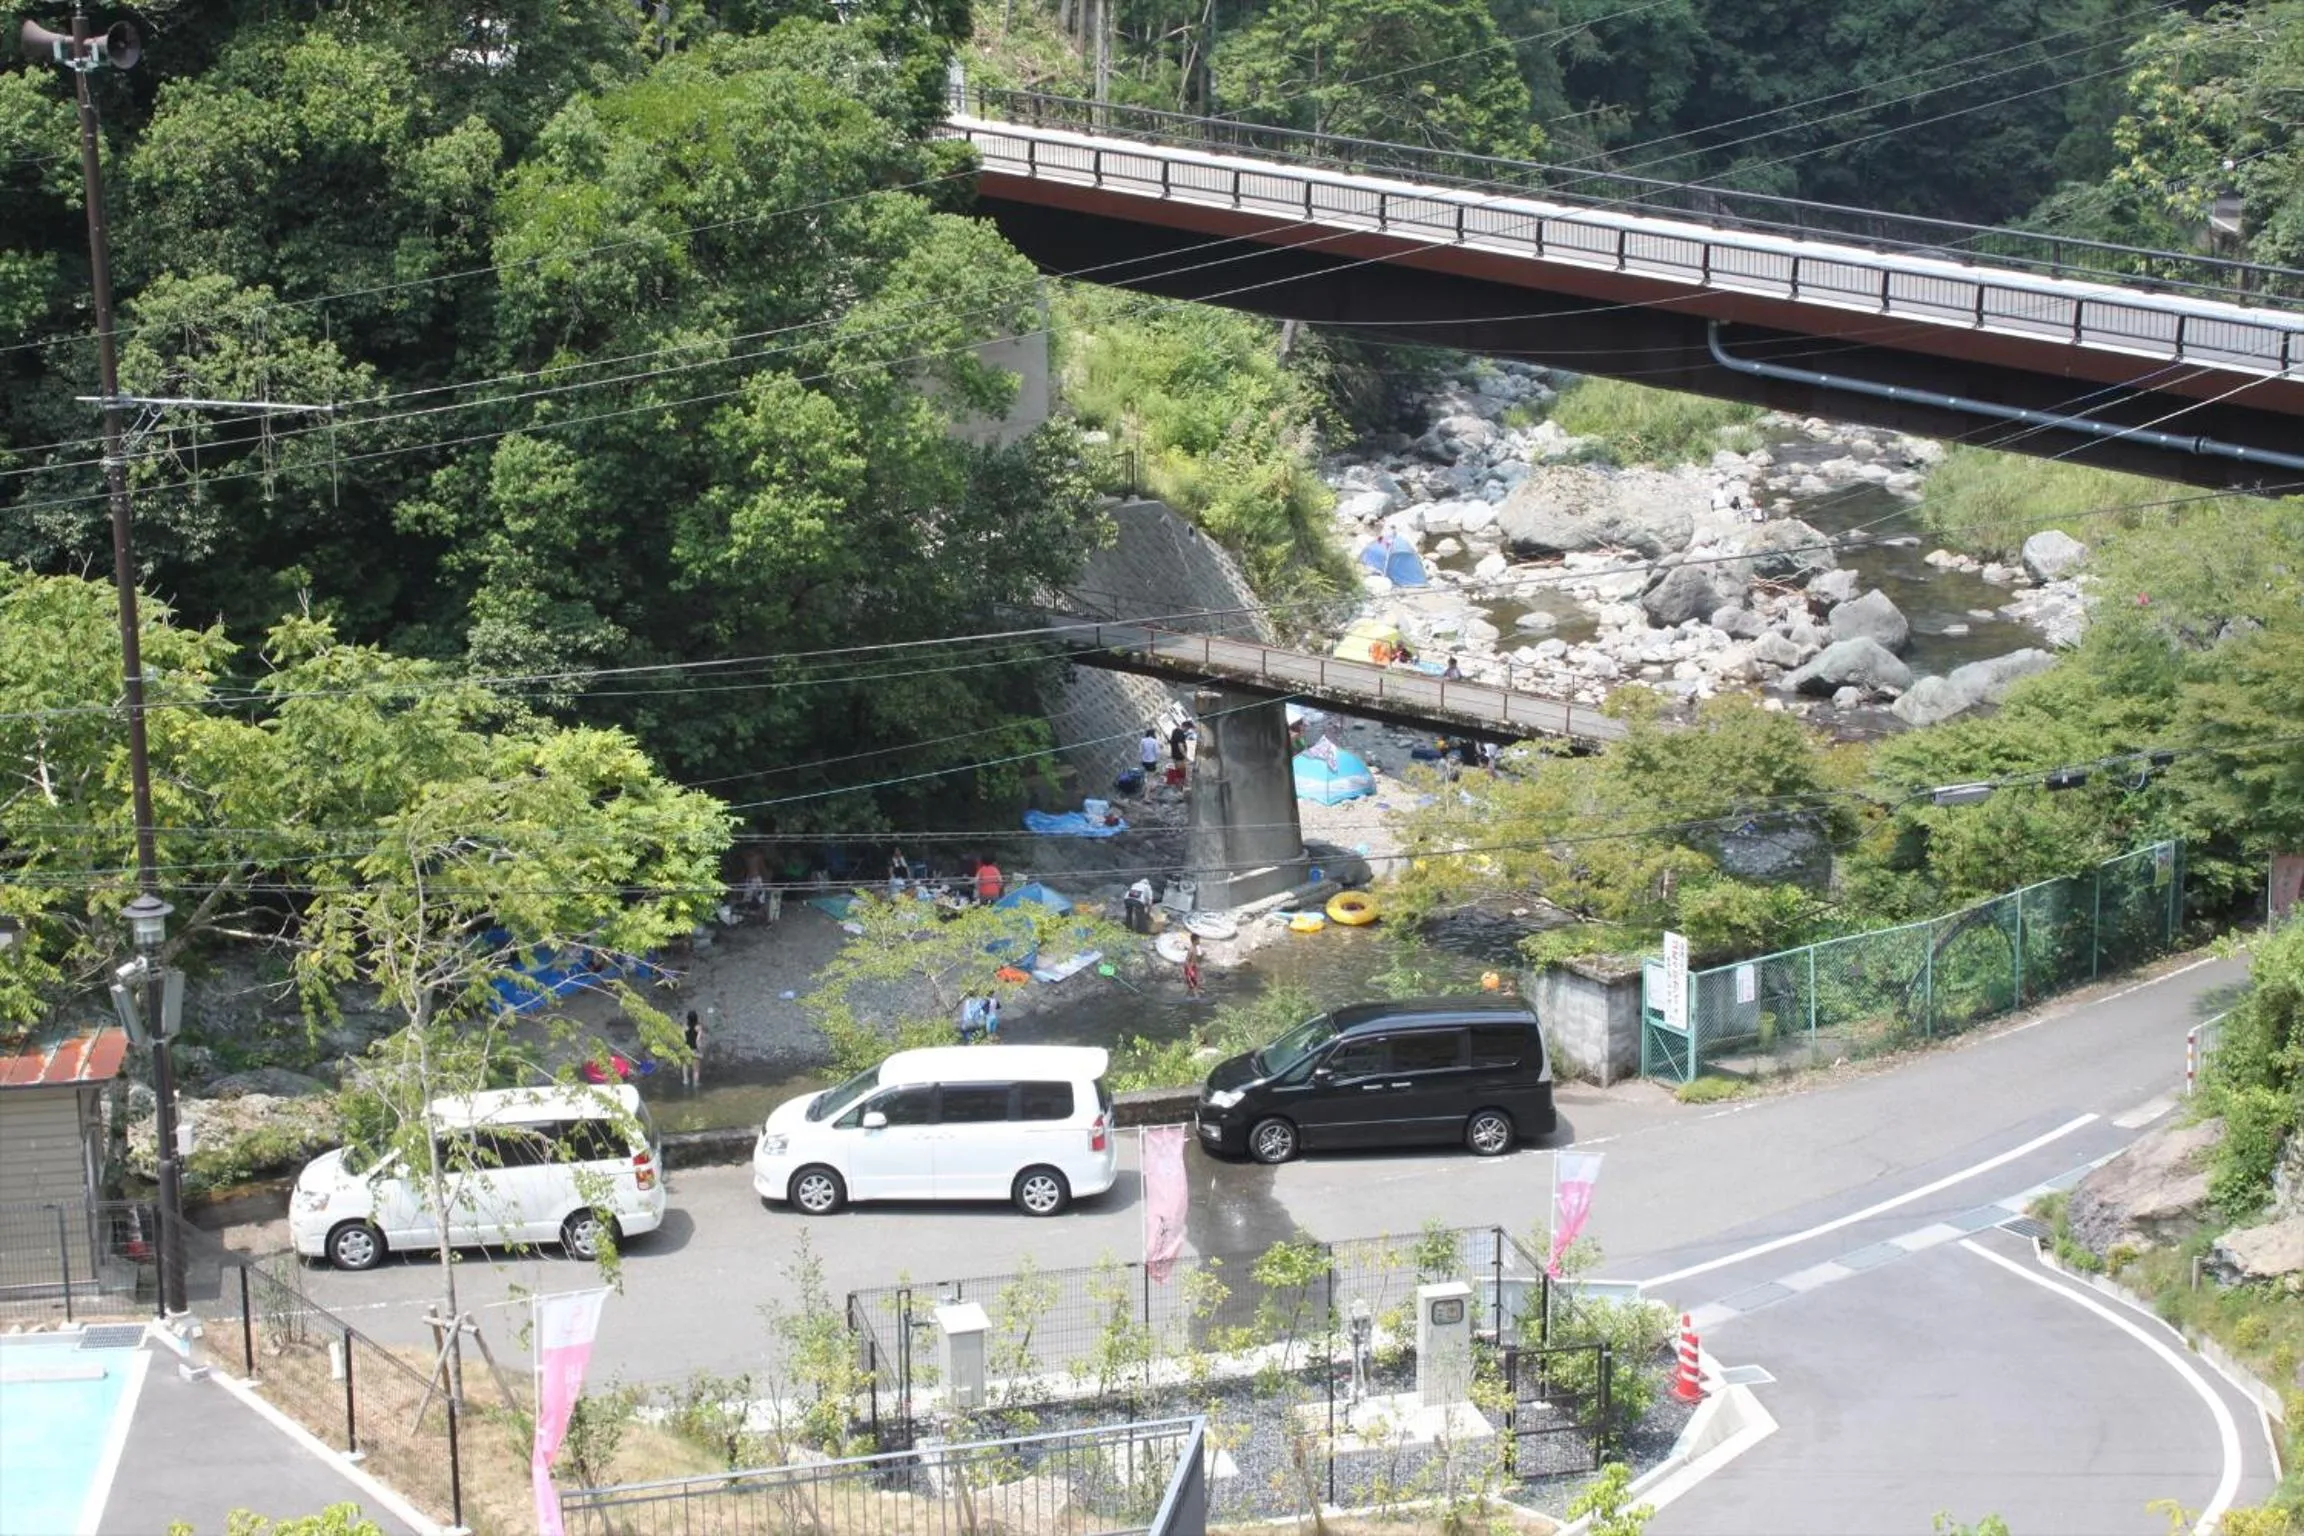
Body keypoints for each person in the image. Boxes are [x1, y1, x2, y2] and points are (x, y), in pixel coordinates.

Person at [682, 1009, 705, 1091]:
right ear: (696, 1018)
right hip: (695, 1050)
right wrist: (700, 1051)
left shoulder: (684, 1027)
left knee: (685, 1066)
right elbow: (698, 1041)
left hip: (686, 1050)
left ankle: (685, 1081)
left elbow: (683, 1039)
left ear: (687, 1018)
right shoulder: (699, 1028)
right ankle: (695, 1084)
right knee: (696, 1070)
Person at [1183, 933, 1204, 1001]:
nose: (1199, 941)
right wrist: (1188, 971)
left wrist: (1197, 967)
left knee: (1193, 985)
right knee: (1194, 985)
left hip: (1193, 968)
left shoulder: (1195, 948)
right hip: (1190, 969)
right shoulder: (1191, 949)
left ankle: (1186, 997)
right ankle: (1198, 999)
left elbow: (1195, 959)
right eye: (1198, 940)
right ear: (1195, 940)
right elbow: (1187, 960)